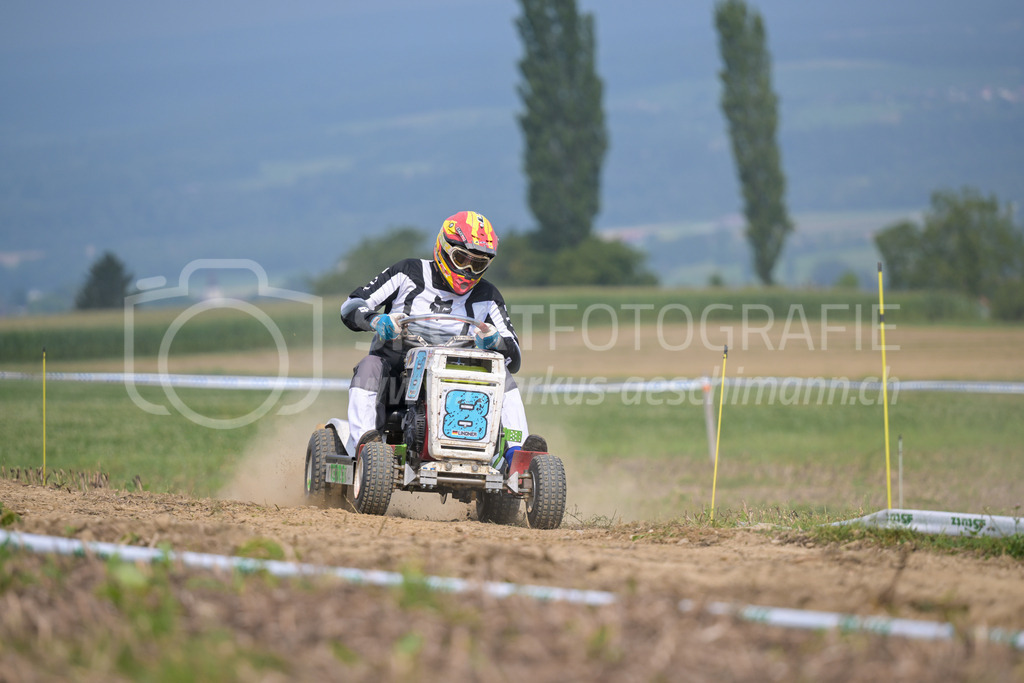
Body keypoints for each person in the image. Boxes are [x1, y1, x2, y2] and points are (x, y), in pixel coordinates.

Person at [339, 210, 544, 464]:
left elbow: (515, 357)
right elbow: (351, 306)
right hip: (396, 381)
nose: (468, 270)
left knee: (502, 372)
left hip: (459, 384)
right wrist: (375, 320)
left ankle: (516, 455)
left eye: (478, 265)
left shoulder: (488, 297)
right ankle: (366, 450)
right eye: (461, 259)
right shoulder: (407, 273)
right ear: (444, 249)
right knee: (368, 366)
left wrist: (496, 342)